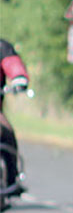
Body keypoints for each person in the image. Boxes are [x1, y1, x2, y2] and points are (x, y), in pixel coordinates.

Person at [1, 38, 30, 199]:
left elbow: (12, 63)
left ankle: (12, 178)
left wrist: (19, 78)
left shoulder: (1, 47)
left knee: (7, 132)